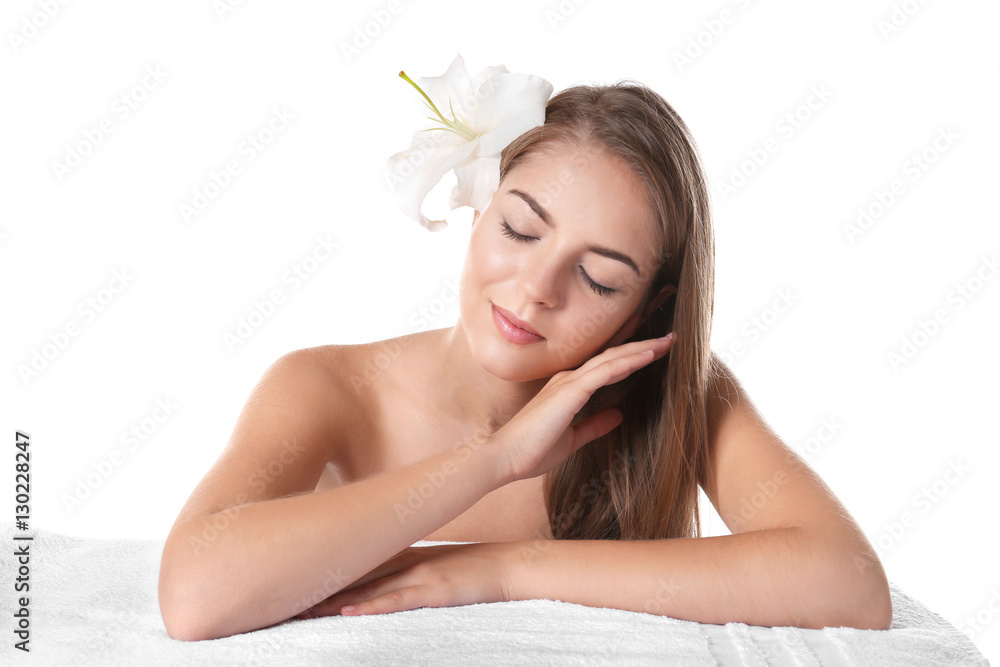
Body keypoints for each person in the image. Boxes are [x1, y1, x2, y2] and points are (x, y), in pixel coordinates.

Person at [157, 61, 893, 642]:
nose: (537, 288)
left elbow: (848, 581)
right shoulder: (329, 386)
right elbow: (194, 594)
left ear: (648, 309)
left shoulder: (678, 389)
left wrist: (504, 570)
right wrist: (495, 459)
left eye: (599, 278)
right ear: (482, 204)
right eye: (519, 229)